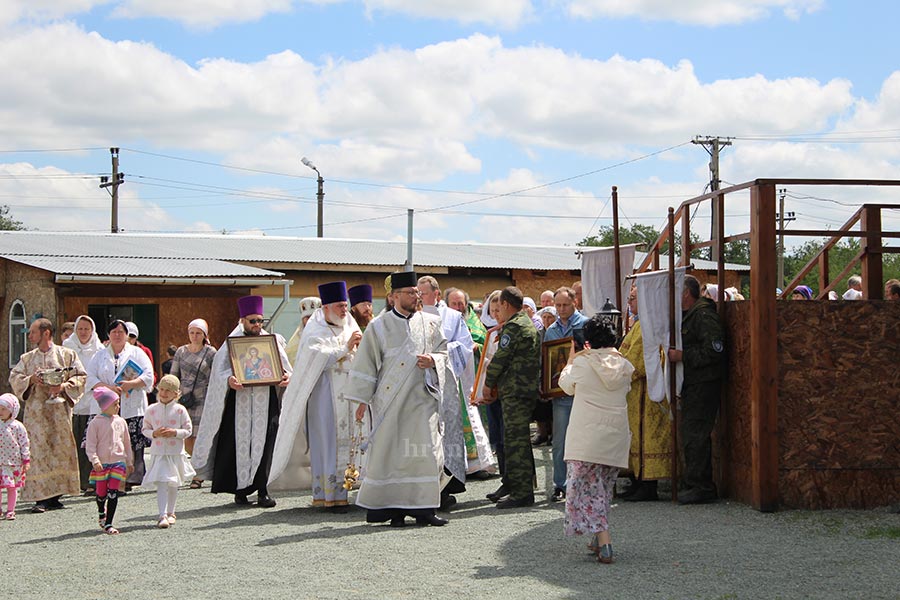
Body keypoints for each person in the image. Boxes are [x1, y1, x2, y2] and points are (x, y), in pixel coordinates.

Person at [344, 270, 451, 528]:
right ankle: (395, 512)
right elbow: (366, 364)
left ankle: (425, 510)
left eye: (417, 292)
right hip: (390, 403)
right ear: (393, 297)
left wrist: (433, 361)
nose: (416, 296)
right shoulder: (378, 327)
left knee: (425, 455)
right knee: (393, 456)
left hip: (422, 401)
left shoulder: (430, 322)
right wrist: (361, 401)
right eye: (410, 292)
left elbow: (444, 352)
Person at [269, 281, 363, 511]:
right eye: (340, 306)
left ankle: (347, 491)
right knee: (327, 443)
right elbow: (315, 357)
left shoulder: (350, 326)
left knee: (349, 442)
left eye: (345, 305)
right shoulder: (315, 329)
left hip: (349, 398)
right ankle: (328, 495)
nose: (344, 310)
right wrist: (345, 349)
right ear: (327, 308)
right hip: (324, 398)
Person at [191, 295, 291, 508]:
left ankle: (263, 490)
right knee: (238, 445)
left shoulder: (269, 341)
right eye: (252, 321)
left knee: (266, 445)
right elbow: (219, 373)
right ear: (242, 320)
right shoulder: (231, 343)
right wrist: (229, 379)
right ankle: (241, 491)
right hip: (240, 403)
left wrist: (286, 378)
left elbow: (286, 369)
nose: (257, 325)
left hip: (266, 402)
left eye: (260, 321)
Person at [559, 314, 633, 564]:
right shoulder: (625, 365)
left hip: (586, 438)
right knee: (601, 489)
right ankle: (596, 537)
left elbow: (566, 385)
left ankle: (605, 541)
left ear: (588, 341)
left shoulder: (583, 363)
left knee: (586, 491)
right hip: (615, 436)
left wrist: (570, 362)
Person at [418, 276, 495, 507]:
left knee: (445, 438)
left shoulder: (452, 317)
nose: (419, 298)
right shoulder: (413, 316)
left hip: (446, 386)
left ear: (437, 295)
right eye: (417, 293)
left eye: (423, 293)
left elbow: (464, 346)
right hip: (418, 385)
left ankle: (444, 490)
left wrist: (437, 358)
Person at [9, 318, 86, 513]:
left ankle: (56, 496)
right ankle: (40, 497)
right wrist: (31, 380)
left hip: (59, 411)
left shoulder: (66, 354)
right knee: (38, 451)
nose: (30, 336)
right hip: (36, 413)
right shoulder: (27, 358)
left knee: (59, 450)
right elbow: (15, 377)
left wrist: (63, 386)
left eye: (33, 332)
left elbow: (81, 376)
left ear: (46, 333)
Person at [667, 274, 726, 504]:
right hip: (695, 382)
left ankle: (702, 486)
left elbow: (715, 350)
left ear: (685, 293)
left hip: (704, 382)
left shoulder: (702, 315)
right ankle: (693, 481)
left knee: (696, 434)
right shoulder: (692, 315)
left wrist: (684, 356)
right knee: (691, 432)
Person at [482, 286, 541, 509]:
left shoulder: (515, 326)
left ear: (505, 304)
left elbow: (500, 359)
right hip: (521, 390)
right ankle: (519, 487)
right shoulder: (524, 322)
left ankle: (522, 493)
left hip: (516, 392)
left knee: (516, 443)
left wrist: (487, 385)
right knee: (518, 440)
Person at [85, 319, 154, 493]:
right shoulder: (99, 355)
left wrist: (132, 384)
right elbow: (90, 378)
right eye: (114, 332)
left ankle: (130, 477)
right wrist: (108, 388)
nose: (117, 335)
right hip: (104, 404)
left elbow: (148, 375)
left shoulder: (137, 353)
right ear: (108, 334)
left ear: (126, 335)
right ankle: (103, 477)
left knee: (130, 441)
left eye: (121, 332)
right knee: (104, 440)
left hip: (131, 402)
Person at [618, 285, 671, 502]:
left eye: (633, 299)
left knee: (648, 437)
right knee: (637, 436)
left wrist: (618, 369)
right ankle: (638, 480)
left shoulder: (649, 325)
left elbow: (637, 361)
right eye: (629, 298)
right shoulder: (640, 324)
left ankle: (648, 485)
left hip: (648, 394)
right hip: (636, 393)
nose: (629, 303)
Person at [543, 286, 589, 502]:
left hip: (583, 394)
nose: (561, 309)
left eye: (565, 305)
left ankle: (581, 484)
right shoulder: (551, 330)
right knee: (560, 442)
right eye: (558, 305)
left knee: (583, 441)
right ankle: (560, 484)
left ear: (574, 303)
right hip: (560, 395)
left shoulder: (586, 325)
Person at [142, 374, 195, 529]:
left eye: (168, 391)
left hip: (175, 452)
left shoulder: (180, 410)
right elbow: (145, 429)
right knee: (163, 481)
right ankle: (162, 514)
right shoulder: (151, 409)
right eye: (162, 389)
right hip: (159, 452)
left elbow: (188, 430)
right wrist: (154, 433)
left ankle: (171, 512)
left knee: (173, 483)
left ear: (176, 393)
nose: (164, 393)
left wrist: (175, 432)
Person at [170, 318, 216, 489]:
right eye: (192, 332)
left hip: (202, 398)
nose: (195, 336)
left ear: (204, 335)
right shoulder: (181, 352)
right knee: (187, 437)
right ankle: (196, 467)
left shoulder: (211, 352)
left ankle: (199, 473)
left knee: (199, 436)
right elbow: (174, 375)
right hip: (184, 398)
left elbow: (215, 376)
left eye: (198, 333)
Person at [63, 315, 105, 495]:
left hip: (93, 401)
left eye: (87, 329)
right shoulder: (67, 348)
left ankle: (91, 481)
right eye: (80, 328)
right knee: (75, 440)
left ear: (92, 330)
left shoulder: (100, 349)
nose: (83, 332)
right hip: (74, 400)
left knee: (92, 442)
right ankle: (74, 481)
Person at [86, 387, 133, 535]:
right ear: (106, 405)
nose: (118, 407)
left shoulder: (121, 422)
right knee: (101, 493)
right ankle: (101, 511)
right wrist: (95, 460)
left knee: (113, 491)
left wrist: (129, 461)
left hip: (118, 462)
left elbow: (126, 442)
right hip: (101, 464)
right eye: (115, 404)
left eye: (118, 403)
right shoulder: (95, 423)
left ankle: (109, 523)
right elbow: (91, 444)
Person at [0, 393, 30, 521]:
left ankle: (11, 510)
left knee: (12, 487)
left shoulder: (18, 426)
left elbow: (24, 443)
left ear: (12, 410)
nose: (0, 412)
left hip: (13, 462)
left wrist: (26, 460)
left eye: (3, 409)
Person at [286, 297, 323, 363]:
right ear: (303, 320)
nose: (311, 320)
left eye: (313, 317)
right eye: (308, 317)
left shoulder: (328, 335)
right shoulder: (295, 341)